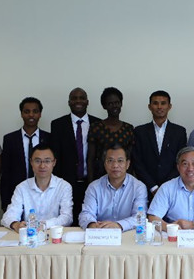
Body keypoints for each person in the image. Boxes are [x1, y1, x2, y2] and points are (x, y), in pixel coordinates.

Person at [50, 87, 101, 224]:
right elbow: (56, 156)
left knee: (91, 221)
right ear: (69, 102)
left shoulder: (98, 123)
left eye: (82, 98)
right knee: (67, 222)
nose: (78, 101)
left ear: (87, 102)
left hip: (93, 183)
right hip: (66, 184)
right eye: (74, 98)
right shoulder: (57, 125)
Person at [1, 143, 73, 231]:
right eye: (37, 161)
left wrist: (44, 225)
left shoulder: (64, 186)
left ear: (54, 162)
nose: (42, 166)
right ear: (31, 162)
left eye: (47, 161)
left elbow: (67, 217)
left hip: (54, 234)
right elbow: (8, 216)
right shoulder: (22, 187)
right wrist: (16, 224)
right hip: (29, 235)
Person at [133, 90, 187, 199]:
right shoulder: (139, 131)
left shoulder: (179, 132)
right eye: (155, 103)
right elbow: (137, 162)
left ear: (169, 106)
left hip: (172, 188)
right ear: (149, 107)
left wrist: (164, 187)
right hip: (146, 188)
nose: (159, 107)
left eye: (163, 103)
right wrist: (152, 187)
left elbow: (181, 161)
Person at [79, 144, 148, 231]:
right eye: (110, 161)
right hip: (100, 233)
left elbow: (140, 218)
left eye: (120, 161)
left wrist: (118, 225)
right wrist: (92, 225)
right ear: (105, 164)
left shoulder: (138, 188)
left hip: (127, 234)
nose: (115, 165)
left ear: (128, 164)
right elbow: (86, 214)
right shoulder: (94, 187)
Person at [0, 97, 50, 211]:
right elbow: (6, 172)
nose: (31, 115)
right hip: (17, 195)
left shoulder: (49, 138)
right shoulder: (10, 139)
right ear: (21, 114)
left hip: (44, 194)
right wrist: (5, 202)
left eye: (35, 111)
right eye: (27, 111)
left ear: (40, 114)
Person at [87, 87, 135, 182]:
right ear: (104, 106)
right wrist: (90, 182)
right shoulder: (96, 127)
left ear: (121, 104)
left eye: (117, 102)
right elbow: (90, 159)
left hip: (123, 179)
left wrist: (130, 182)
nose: (114, 106)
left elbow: (131, 158)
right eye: (110, 104)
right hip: (100, 178)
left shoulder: (128, 128)